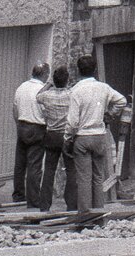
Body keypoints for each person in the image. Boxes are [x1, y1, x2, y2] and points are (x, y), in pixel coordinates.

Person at [64, 54, 129, 214]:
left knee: (84, 178)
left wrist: (67, 138)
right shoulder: (104, 88)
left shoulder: (76, 91)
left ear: (78, 71)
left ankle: (86, 214)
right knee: (98, 177)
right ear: (95, 70)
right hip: (100, 136)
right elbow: (122, 100)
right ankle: (99, 212)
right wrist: (110, 114)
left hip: (83, 136)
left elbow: (72, 122)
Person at [37, 66, 77, 212]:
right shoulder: (72, 94)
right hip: (66, 135)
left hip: (52, 135)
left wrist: (48, 83)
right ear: (67, 80)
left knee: (49, 171)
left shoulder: (46, 95)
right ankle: (71, 205)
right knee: (71, 171)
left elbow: (37, 96)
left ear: (54, 80)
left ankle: (44, 206)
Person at [12, 62, 49, 208]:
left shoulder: (21, 87)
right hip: (37, 127)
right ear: (45, 74)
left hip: (22, 125)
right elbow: (46, 112)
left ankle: (18, 195)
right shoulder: (42, 91)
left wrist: (19, 124)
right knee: (34, 165)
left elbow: (14, 109)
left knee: (20, 163)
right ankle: (33, 200)